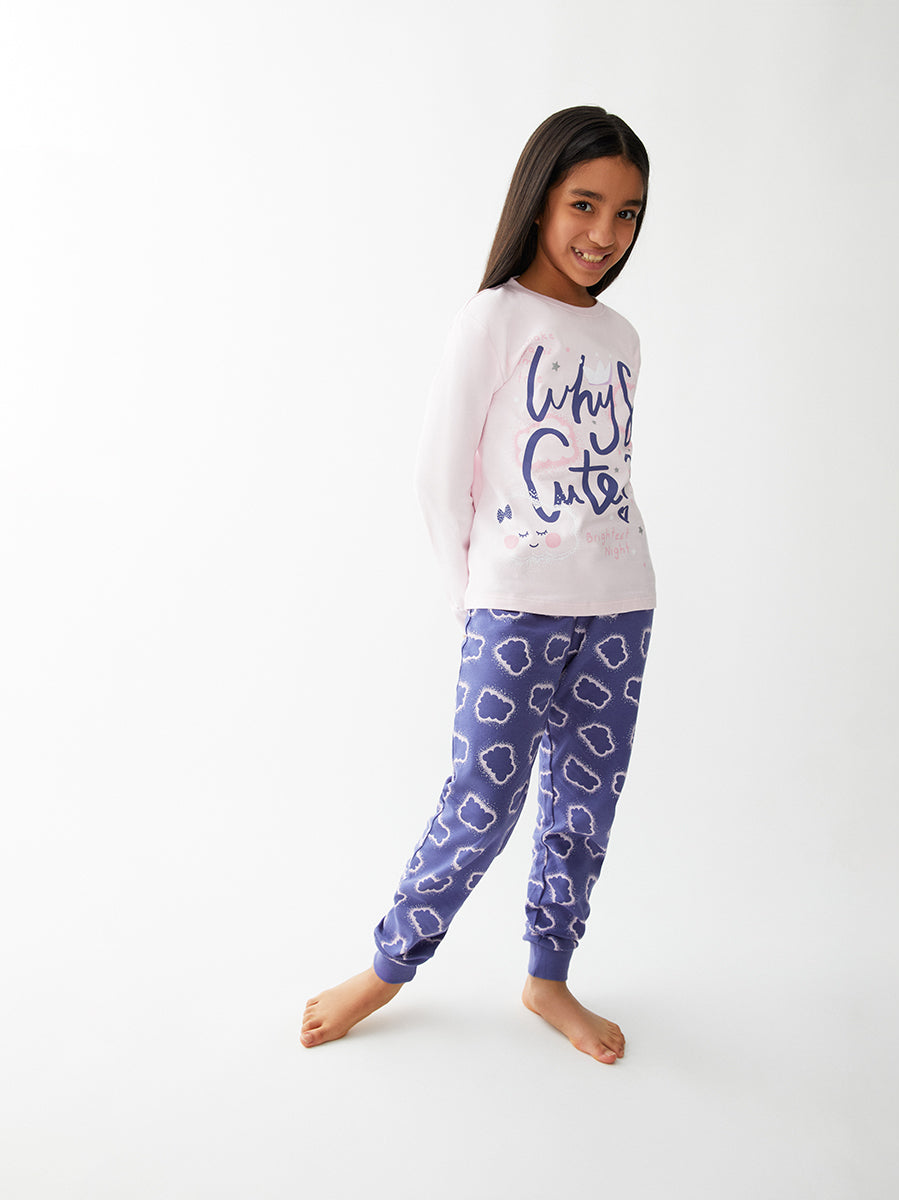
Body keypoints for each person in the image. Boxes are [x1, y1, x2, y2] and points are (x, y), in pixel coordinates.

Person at [301, 106, 657, 1065]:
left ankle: (548, 976)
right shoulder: (492, 318)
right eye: (583, 204)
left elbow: (607, 467)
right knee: (481, 800)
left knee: (585, 801)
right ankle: (388, 966)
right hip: (515, 604)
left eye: (626, 213)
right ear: (539, 201)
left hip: (620, 600)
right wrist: (474, 600)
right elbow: (438, 476)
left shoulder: (622, 336)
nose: (603, 233)